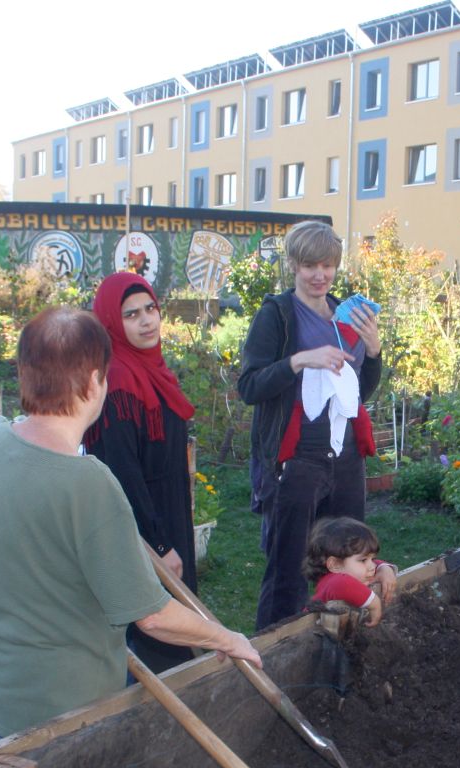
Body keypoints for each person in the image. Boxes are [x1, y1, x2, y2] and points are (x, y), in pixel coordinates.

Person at [0, 307, 261, 745]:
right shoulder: (89, 483)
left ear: (24, 373)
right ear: (97, 381)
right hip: (55, 706)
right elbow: (152, 616)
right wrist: (226, 638)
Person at [238, 220, 396, 629]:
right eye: (309, 265)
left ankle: (335, 645)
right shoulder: (277, 315)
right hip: (297, 458)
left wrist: (374, 350)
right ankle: (273, 654)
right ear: (292, 263)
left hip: (344, 457)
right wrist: (298, 360)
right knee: (289, 570)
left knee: (347, 560)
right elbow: (250, 385)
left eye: (327, 265)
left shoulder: (348, 315)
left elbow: (358, 393)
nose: (319, 275)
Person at [85, 271, 200, 674]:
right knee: (157, 623)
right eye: (131, 315)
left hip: (165, 510)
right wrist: (159, 545)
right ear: (112, 324)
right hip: (143, 523)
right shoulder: (117, 382)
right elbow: (122, 475)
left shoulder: (152, 369)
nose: (147, 320)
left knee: (177, 616)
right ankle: (159, 707)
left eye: (150, 308)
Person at [304, 516, 391, 627]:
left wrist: (384, 568)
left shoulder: (352, 571)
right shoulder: (332, 582)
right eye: (363, 560)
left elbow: (374, 564)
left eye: (372, 559)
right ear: (335, 565)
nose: (372, 566)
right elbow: (342, 583)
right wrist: (374, 603)